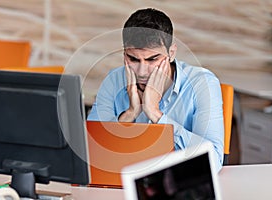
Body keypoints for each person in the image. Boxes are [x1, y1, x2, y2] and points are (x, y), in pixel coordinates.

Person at [87, 8, 224, 171]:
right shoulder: (113, 81)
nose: (142, 72)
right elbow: (90, 153)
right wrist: (129, 115)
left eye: (153, 59)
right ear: (124, 54)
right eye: (133, 59)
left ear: (171, 53)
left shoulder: (203, 84)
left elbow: (213, 162)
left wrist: (155, 113)